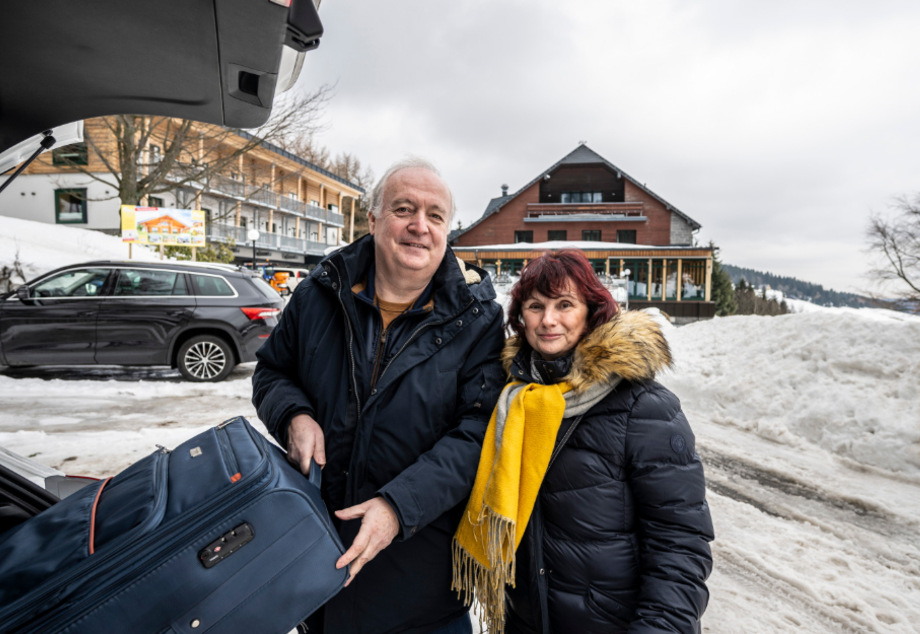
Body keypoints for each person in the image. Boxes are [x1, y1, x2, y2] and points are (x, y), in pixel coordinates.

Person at [252, 158, 507, 633]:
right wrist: (294, 415)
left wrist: (398, 507)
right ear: (371, 220)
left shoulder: (478, 320)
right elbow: (271, 371)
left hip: (419, 587)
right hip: (316, 566)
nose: (419, 226)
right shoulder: (318, 294)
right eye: (404, 209)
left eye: (435, 216)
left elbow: (479, 433)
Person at [452, 249, 714, 634]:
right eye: (535, 306)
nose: (549, 320)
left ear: (592, 311)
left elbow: (680, 547)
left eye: (564, 305)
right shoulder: (513, 402)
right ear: (520, 318)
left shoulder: (642, 406)